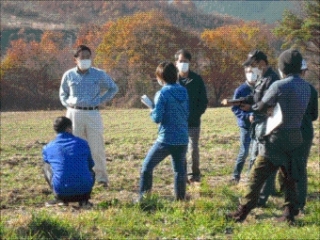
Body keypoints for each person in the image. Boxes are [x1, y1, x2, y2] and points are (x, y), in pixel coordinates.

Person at [227, 49, 311, 224]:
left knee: (256, 176)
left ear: (283, 67)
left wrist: (252, 108)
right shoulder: (306, 87)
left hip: (276, 138)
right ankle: (289, 214)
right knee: (289, 178)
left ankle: (242, 211)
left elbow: (260, 106)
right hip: (296, 136)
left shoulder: (278, 85)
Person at [59, 45, 118, 188]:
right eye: (82, 57)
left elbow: (113, 88)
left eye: (88, 57)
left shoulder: (99, 74)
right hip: (74, 113)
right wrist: (68, 104)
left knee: (96, 147)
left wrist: (100, 100)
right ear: (76, 59)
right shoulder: (69, 75)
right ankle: (78, 177)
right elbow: (63, 93)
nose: (85, 60)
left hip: (92, 113)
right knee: (75, 147)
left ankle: (101, 178)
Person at [139, 61, 189, 201]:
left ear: (161, 77)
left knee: (146, 167)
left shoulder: (161, 94)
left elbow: (157, 117)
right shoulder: (184, 91)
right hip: (182, 137)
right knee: (179, 171)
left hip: (166, 138)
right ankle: (180, 199)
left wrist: (151, 109)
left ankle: (144, 198)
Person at [278, 59, 318, 211]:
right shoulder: (311, 89)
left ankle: (286, 196)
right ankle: (299, 203)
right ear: (303, 72)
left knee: (284, 164)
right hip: (305, 132)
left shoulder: (282, 87)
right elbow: (314, 115)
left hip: (285, 131)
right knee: (300, 167)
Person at [241, 50, 280, 206]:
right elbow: (256, 97)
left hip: (266, 124)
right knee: (254, 159)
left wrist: (251, 107)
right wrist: (241, 101)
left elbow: (267, 103)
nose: (252, 69)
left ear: (262, 63)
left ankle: (262, 197)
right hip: (258, 123)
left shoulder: (272, 79)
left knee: (264, 161)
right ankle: (251, 195)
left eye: (253, 65)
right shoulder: (262, 78)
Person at [42, 116, 95, 207]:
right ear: (69, 129)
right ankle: (84, 201)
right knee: (91, 171)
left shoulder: (48, 147)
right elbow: (91, 165)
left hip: (62, 191)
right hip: (84, 191)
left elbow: (49, 164)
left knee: (46, 166)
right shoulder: (83, 143)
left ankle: (60, 200)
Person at [175, 49, 208, 182]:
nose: (183, 63)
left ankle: (194, 174)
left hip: (193, 122)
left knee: (193, 148)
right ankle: (182, 175)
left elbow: (204, 101)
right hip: (177, 122)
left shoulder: (197, 79)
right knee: (180, 149)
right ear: (176, 63)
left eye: (186, 61)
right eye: (180, 61)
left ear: (190, 62)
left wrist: (196, 114)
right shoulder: (173, 81)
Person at [229, 67, 255, 183]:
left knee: (255, 153)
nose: (251, 74)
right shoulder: (240, 90)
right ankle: (236, 176)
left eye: (253, 72)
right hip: (245, 125)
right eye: (249, 72)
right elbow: (234, 108)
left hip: (258, 125)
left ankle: (251, 177)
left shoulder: (261, 88)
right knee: (244, 151)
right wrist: (246, 116)